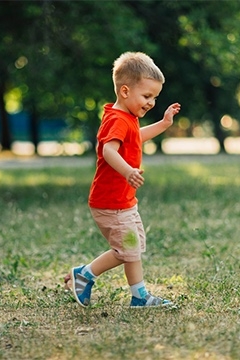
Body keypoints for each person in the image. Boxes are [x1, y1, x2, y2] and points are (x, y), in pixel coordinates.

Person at [66, 52, 181, 308]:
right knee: (127, 250)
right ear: (126, 91)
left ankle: (129, 291)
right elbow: (108, 151)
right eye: (147, 96)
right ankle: (88, 277)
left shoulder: (126, 118)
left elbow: (136, 137)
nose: (151, 102)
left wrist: (163, 123)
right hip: (111, 203)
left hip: (123, 202)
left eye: (155, 97)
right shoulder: (117, 119)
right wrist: (128, 171)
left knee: (133, 247)